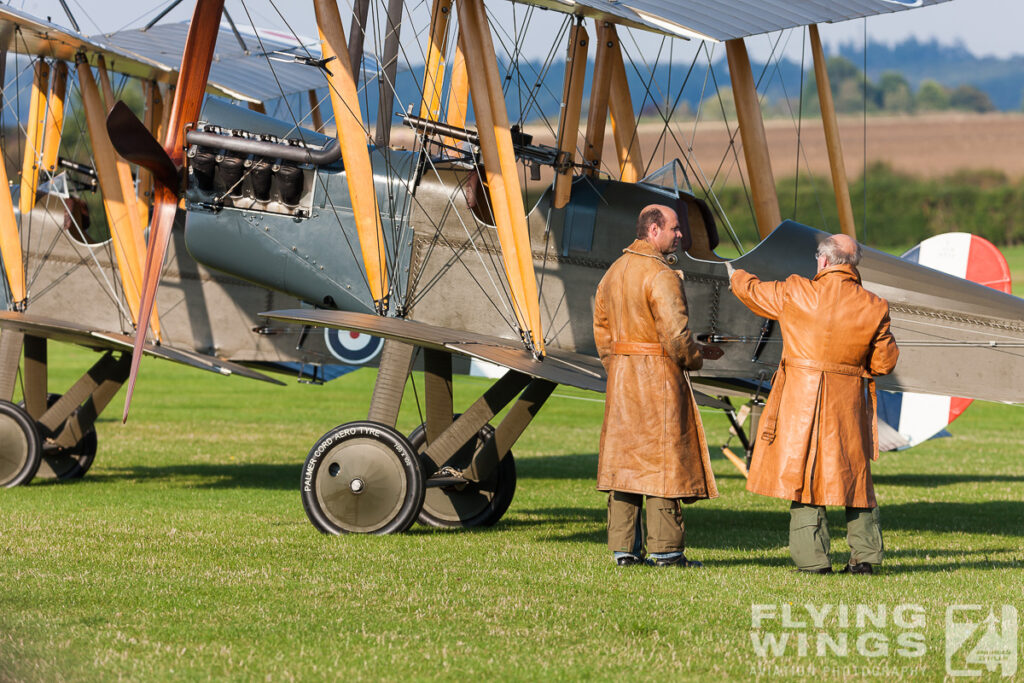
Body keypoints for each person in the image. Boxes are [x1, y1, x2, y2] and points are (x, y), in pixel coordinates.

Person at [725, 234, 899, 575]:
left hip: (798, 401)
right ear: (853, 264)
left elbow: (752, 291)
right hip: (847, 403)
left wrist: (734, 274)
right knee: (855, 478)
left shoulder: (795, 290)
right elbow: (884, 363)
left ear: (822, 261)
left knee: (804, 477)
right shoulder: (874, 305)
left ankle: (813, 561)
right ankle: (866, 558)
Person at [593, 204, 720, 568]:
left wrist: (616, 366)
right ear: (653, 231)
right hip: (658, 380)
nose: (680, 234)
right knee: (662, 463)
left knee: (624, 465)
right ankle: (666, 552)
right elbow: (678, 338)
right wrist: (695, 359)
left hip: (621, 379)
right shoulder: (661, 275)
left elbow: (601, 331)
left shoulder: (614, 272)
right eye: (675, 228)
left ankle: (623, 551)